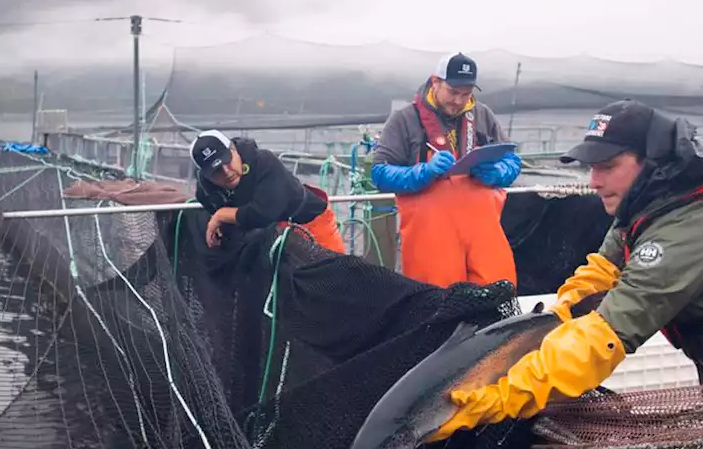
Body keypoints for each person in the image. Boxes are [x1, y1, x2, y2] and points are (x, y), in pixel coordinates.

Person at [429, 99, 703, 441]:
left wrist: (495, 398)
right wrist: (560, 315)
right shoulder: (648, 205)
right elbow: (604, 269)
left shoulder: (686, 235)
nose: (594, 181)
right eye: (591, 167)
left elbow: (602, 341)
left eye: (608, 166)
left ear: (652, 162)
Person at [371, 52, 523, 288]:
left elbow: (513, 161)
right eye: (453, 92)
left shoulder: (483, 115)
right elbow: (379, 173)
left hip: (483, 236)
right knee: (434, 303)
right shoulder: (403, 120)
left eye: (466, 93)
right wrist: (423, 172)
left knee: (497, 292)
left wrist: (499, 172)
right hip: (432, 242)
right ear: (435, 82)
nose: (459, 100)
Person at [190, 130, 346, 254]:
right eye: (216, 171)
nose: (226, 171)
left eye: (227, 161)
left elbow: (263, 213)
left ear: (234, 150)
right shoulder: (206, 191)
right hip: (269, 238)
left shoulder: (264, 162)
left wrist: (221, 215)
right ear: (205, 176)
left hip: (310, 223)